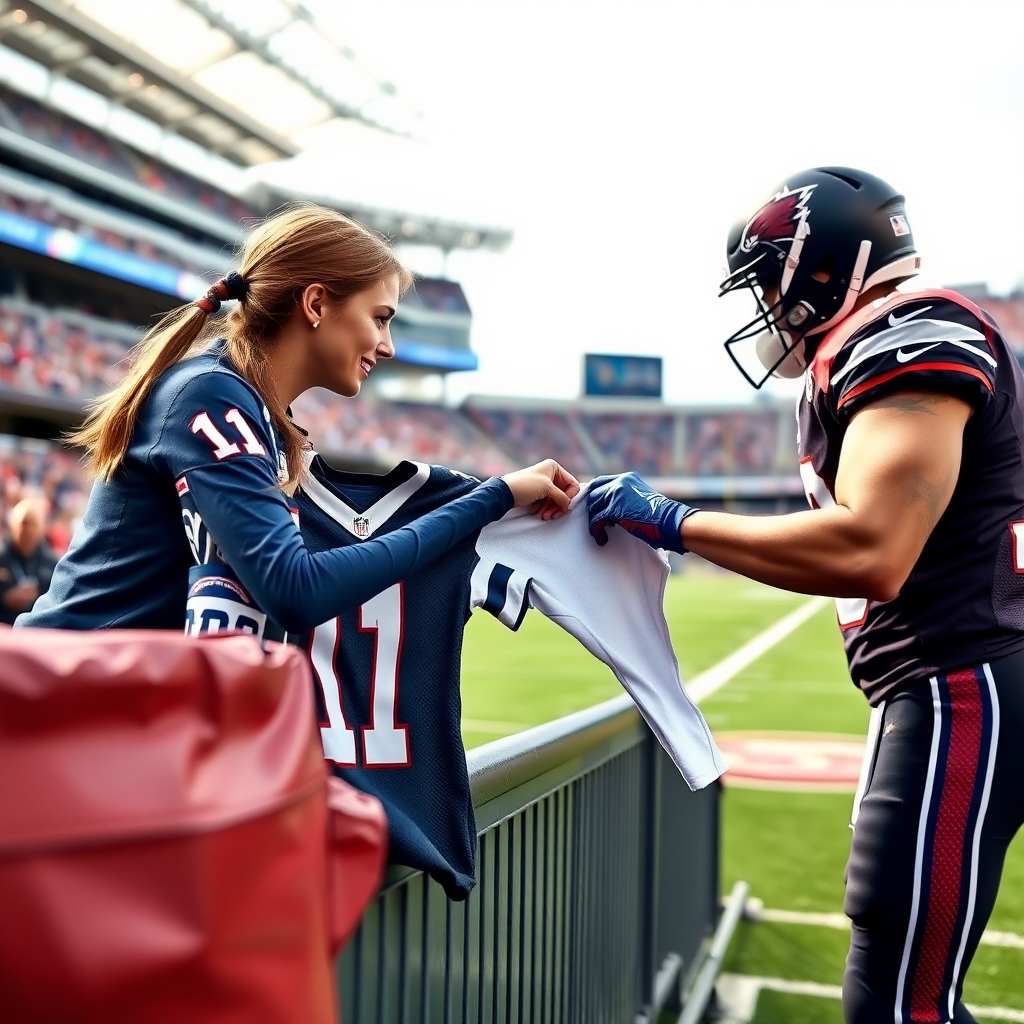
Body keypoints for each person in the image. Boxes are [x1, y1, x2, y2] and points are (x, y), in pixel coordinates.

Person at [586, 167, 1024, 1024]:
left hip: (963, 677)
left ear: (819, 269)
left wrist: (678, 523)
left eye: (765, 281)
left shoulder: (909, 337)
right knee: (907, 985)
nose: (761, 307)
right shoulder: (888, 342)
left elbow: (871, 547)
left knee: (900, 1003)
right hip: (951, 675)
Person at [19, 205, 578, 633]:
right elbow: (297, 590)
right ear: (315, 305)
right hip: (56, 712)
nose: (387, 346)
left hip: (104, 717)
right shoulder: (211, 397)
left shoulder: (252, 407)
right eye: (379, 318)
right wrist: (490, 499)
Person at [0, 497, 57, 625]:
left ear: (42, 528)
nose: (28, 530)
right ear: (13, 526)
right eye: (24, 523)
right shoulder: (1, 558)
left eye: (33, 523)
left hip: (38, 632)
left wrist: (37, 598)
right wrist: (4, 599)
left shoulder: (52, 562)